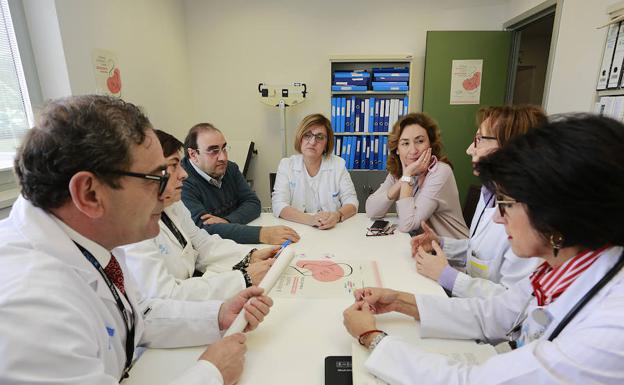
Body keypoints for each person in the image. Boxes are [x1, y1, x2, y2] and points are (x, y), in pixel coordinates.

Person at [0, 95, 273, 385]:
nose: (167, 190)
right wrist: (211, 373)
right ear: (90, 193)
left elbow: (140, 313)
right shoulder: (30, 308)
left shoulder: (90, 240)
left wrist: (217, 315)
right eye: (156, 177)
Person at [342, 114, 624, 385]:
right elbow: (492, 315)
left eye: (507, 204)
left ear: (555, 209)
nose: (497, 217)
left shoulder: (612, 326)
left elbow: (473, 382)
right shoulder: (560, 269)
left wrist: (372, 336)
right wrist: (398, 301)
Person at [116, 130, 278, 302]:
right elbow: (166, 296)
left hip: (194, 289)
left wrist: (249, 256)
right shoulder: (132, 230)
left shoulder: (172, 204)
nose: (184, 174)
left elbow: (201, 242)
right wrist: (243, 278)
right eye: (174, 165)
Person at [411, 105, 546, 298]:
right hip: (472, 308)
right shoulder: (489, 192)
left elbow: (512, 305)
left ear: (510, 146)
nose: (469, 149)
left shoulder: (530, 217)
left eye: (479, 140)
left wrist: (447, 275)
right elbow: (479, 252)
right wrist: (440, 243)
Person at [181, 122, 300, 244]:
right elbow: (203, 229)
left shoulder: (230, 168)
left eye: (224, 148)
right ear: (193, 154)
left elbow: (253, 203)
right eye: (213, 151)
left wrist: (227, 221)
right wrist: (261, 234)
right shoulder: (181, 182)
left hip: (235, 244)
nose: (223, 157)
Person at [365, 112, 468, 237]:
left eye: (419, 141)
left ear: (430, 143)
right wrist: (403, 179)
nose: (413, 150)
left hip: (452, 253)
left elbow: (407, 225)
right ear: (397, 149)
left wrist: (408, 175)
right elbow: (371, 210)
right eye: (405, 143)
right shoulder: (399, 173)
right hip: (424, 249)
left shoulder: (440, 171)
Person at [271, 113, 358, 229]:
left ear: (326, 144)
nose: (312, 142)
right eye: (307, 135)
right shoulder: (286, 165)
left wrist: (337, 215)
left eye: (320, 137)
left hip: (331, 230)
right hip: (297, 228)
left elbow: (352, 201)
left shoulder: (338, 164)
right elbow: (278, 204)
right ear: (300, 138)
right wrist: (311, 220)